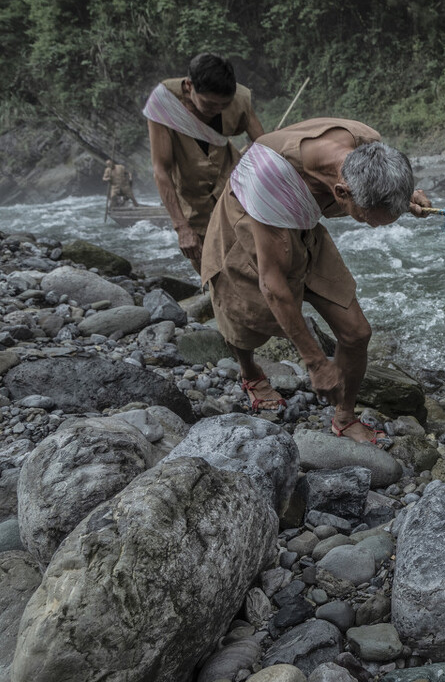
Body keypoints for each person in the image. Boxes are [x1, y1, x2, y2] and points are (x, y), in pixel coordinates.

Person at [199, 117, 430, 436]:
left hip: (304, 219)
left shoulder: (366, 142)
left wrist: (403, 198)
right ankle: (250, 372)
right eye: (369, 220)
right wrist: (317, 362)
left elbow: (380, 186)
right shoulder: (269, 179)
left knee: (357, 333)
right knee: (246, 316)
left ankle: (344, 418)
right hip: (254, 217)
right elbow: (273, 286)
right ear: (341, 192)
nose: (374, 228)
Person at [145, 52, 265, 272]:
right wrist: (182, 227)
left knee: (255, 262)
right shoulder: (163, 103)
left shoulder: (239, 98)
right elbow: (161, 170)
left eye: (224, 104)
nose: (217, 110)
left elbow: (264, 147)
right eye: (210, 104)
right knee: (210, 271)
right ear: (189, 86)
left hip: (236, 188)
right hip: (193, 202)